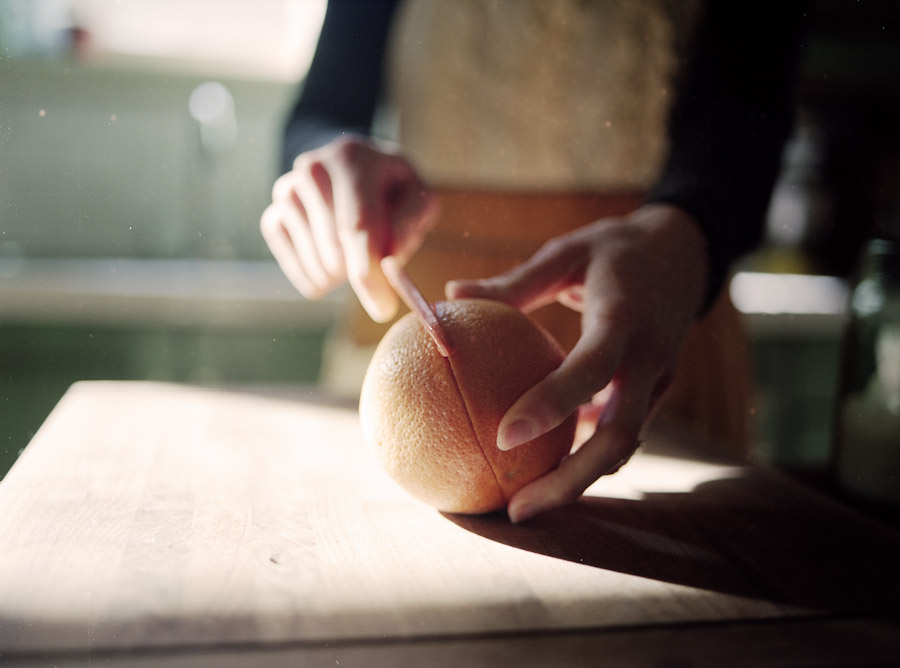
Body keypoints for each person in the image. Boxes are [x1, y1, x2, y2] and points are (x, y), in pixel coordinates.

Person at [260, 0, 804, 522]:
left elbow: (752, 98)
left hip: (652, 295)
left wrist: (690, 226)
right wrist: (329, 160)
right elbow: (320, 110)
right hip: (417, 294)